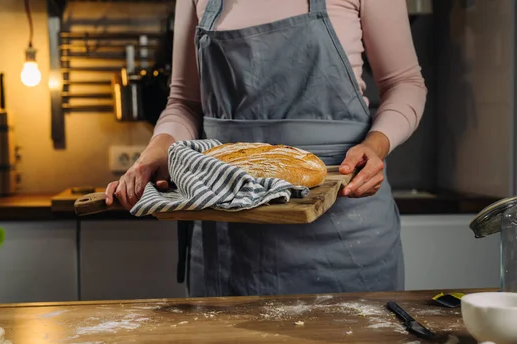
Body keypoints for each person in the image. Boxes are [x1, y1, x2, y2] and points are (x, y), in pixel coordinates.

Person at [105, 0, 427, 297]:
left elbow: (405, 83)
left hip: (342, 233)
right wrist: (155, 152)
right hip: (229, 235)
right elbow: (185, 103)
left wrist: (377, 143)